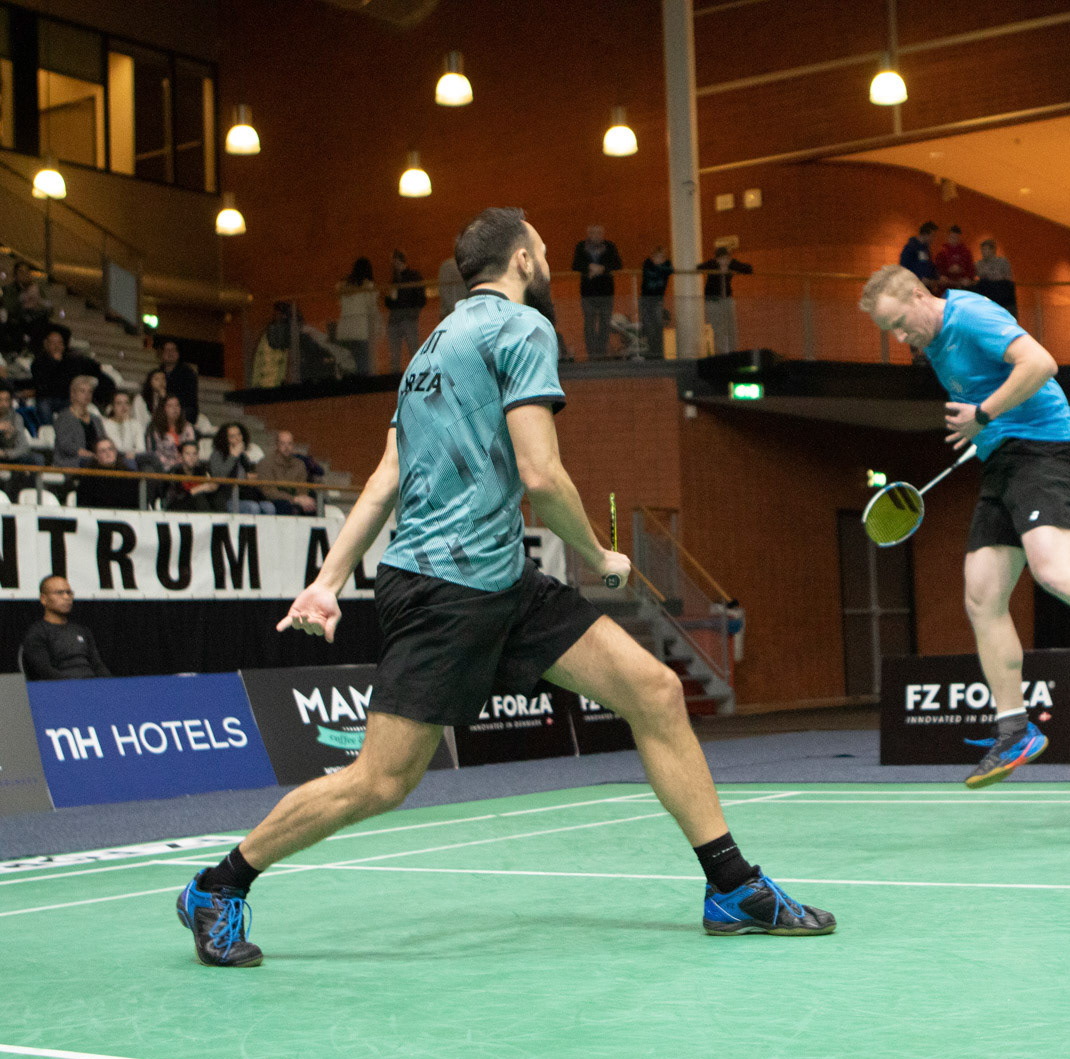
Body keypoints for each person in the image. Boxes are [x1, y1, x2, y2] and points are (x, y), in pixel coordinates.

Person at [176, 206, 833, 968]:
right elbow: (540, 475)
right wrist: (598, 554)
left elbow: (387, 475)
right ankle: (218, 886)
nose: (548, 262)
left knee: (653, 691)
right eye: (544, 251)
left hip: (500, 577)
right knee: (381, 781)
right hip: (443, 588)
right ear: (521, 259)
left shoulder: (430, 351)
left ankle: (732, 886)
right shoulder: (522, 330)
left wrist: (328, 581)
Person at [859, 264, 1070, 787]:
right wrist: (986, 432)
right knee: (982, 596)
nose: (901, 338)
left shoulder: (970, 315)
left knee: (1054, 570)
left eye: (900, 323)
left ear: (920, 297)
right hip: (1004, 460)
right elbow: (994, 396)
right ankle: (1014, 729)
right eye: (891, 332)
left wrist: (984, 414)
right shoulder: (936, 345)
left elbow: (1041, 363)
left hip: (1046, 449)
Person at [21, 576, 111, 680]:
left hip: (92, 684)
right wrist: (75, 685)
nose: (66, 597)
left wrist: (111, 684)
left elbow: (98, 665)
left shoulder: (82, 630)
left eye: (69, 593)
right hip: (62, 687)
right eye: (59, 593)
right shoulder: (37, 633)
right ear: (43, 599)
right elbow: (45, 671)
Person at [572, 224, 622, 361]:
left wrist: (602, 269)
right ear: (589, 234)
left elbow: (617, 264)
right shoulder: (581, 247)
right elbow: (575, 265)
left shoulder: (610, 246)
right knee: (589, 323)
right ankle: (592, 353)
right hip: (588, 292)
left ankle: (601, 352)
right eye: (594, 233)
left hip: (606, 292)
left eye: (599, 233)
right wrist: (589, 267)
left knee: (605, 323)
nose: (597, 236)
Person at [696, 245, 753, 355]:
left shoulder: (731, 263)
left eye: (727, 259)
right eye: (722, 259)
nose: (725, 261)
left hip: (726, 298)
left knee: (731, 327)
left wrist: (730, 268)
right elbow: (699, 268)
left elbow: (748, 269)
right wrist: (718, 269)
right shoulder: (712, 264)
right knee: (718, 329)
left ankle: (733, 353)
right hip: (712, 300)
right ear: (717, 259)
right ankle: (720, 354)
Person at [209, 422, 276, 514]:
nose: (237, 438)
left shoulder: (243, 456)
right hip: (227, 498)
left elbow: (247, 477)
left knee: (269, 507)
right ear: (225, 439)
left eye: (239, 435)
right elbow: (219, 476)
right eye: (232, 436)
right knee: (253, 508)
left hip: (244, 495)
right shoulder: (217, 455)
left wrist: (250, 479)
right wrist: (233, 456)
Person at [384, 250, 428, 372]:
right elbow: (389, 303)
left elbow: (420, 298)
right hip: (397, 319)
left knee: (412, 351)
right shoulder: (395, 279)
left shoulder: (410, 277)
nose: (393, 265)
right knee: (396, 355)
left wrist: (413, 312)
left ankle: (417, 374)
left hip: (407, 318)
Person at [258, 430, 319, 515]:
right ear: (277, 445)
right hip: (273, 499)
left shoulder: (299, 464)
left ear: (293, 445)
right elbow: (268, 491)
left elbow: (302, 488)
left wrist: (303, 499)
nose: (286, 447)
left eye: (289, 444)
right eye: (282, 443)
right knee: (284, 505)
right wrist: (294, 499)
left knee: (311, 505)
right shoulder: (266, 463)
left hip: (295, 499)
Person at [336, 258, 381, 375]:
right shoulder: (368, 286)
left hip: (344, 331)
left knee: (347, 368)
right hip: (360, 331)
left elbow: (339, 301)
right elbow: (372, 307)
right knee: (363, 367)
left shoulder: (343, 286)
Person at [53, 375, 107, 468]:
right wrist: (84, 453)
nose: (87, 395)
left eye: (90, 392)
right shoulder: (64, 417)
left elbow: (103, 439)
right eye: (82, 391)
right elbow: (65, 445)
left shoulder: (96, 420)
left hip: (96, 459)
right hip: (71, 461)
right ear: (73, 394)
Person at [0, 384, 45, 497]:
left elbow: (23, 447)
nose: (3, 404)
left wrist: (7, 452)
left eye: (6, 400)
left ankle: (32, 496)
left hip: (9, 456)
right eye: (0, 400)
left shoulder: (16, 418)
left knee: (36, 459)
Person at [75, 438, 141, 509]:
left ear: (115, 452)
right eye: (103, 451)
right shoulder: (89, 477)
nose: (108, 453)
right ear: (96, 456)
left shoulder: (129, 475)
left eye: (110, 449)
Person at [164, 440, 225, 512]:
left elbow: (212, 485)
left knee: (218, 497)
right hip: (178, 509)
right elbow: (174, 501)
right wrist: (198, 489)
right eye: (187, 454)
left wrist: (213, 486)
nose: (191, 457)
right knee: (199, 497)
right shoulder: (173, 473)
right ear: (180, 456)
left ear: (198, 455)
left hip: (199, 507)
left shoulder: (202, 470)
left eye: (194, 454)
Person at [156, 337, 200, 425]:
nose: (170, 353)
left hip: (183, 415)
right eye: (167, 350)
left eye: (173, 350)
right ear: (162, 354)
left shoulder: (187, 373)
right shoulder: (157, 373)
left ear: (178, 353)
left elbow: (190, 400)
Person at [146, 394, 195, 473]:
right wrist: (173, 464)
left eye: (177, 405)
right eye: (170, 406)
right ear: (163, 409)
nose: (175, 409)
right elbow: (152, 453)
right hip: (162, 469)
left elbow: (192, 447)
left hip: (185, 467)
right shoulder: (154, 428)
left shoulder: (188, 428)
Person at [639, 246, 673, 360]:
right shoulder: (647, 264)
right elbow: (649, 273)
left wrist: (658, 270)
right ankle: (651, 352)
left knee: (658, 326)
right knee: (648, 326)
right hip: (646, 300)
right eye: (656, 257)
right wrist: (660, 271)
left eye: (662, 257)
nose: (659, 260)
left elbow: (669, 269)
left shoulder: (666, 266)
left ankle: (659, 353)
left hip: (658, 300)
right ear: (652, 257)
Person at [975, 239, 1017, 317]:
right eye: (982, 250)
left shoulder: (1002, 261)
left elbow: (1008, 276)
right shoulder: (979, 264)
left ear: (992, 250)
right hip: (987, 291)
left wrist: (995, 277)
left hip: (1001, 291)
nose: (984, 252)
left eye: (986, 249)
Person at [102, 390, 146, 462]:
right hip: (112, 459)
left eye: (126, 403)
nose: (124, 407)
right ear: (113, 407)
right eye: (119, 403)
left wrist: (132, 454)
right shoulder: (105, 425)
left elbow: (141, 449)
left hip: (133, 458)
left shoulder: (136, 424)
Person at [898, 222, 939, 294]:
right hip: (914, 289)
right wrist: (919, 278)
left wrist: (935, 278)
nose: (933, 239)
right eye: (932, 236)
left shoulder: (926, 249)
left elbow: (930, 266)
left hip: (926, 289)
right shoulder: (910, 248)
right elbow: (904, 268)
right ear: (925, 234)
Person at [935, 226, 976, 290]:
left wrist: (965, 275)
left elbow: (970, 268)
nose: (954, 240)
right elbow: (938, 268)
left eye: (956, 237)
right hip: (946, 284)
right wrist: (946, 272)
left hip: (962, 284)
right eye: (952, 237)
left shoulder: (966, 252)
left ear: (959, 237)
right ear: (948, 237)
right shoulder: (941, 252)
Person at [437, 255, 467, 321]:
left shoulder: (446, 265)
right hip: (462, 310)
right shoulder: (466, 266)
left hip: (450, 312)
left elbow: (443, 290)